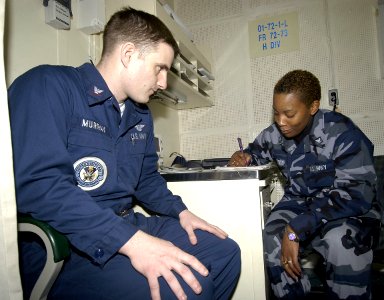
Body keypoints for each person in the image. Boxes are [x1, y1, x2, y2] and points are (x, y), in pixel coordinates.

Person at [9, 7, 240, 300]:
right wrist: (132, 242)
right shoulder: (47, 86)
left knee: (224, 253)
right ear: (129, 54)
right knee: (188, 288)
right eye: (160, 68)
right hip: (63, 243)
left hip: (123, 224)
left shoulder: (139, 114)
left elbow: (146, 181)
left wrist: (181, 212)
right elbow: (41, 188)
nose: (163, 83)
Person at [229, 70, 380, 299]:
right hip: (300, 202)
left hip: (346, 205)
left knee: (340, 240)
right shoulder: (274, 134)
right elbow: (254, 153)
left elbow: (358, 192)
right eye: (276, 113)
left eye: (289, 114)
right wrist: (243, 157)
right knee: (272, 233)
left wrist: (295, 228)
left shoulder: (341, 132)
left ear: (312, 107)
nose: (280, 122)